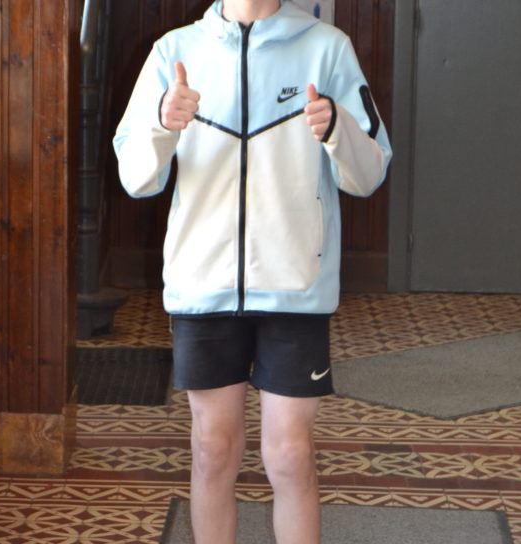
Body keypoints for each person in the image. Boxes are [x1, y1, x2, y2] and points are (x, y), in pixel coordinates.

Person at [113, 1, 392, 542]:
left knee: (290, 456)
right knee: (212, 450)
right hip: (202, 286)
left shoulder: (326, 47)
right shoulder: (175, 51)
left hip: (296, 288)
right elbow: (136, 178)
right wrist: (163, 125)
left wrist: (337, 126)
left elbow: (369, 173)